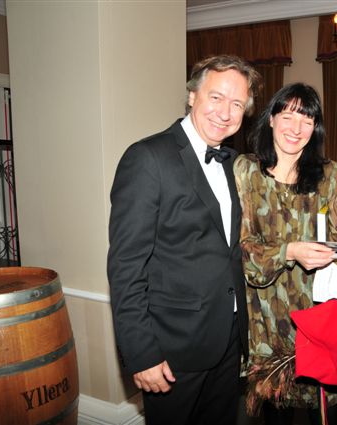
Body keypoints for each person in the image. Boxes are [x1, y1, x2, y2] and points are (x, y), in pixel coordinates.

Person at [107, 55, 261, 424]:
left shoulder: (235, 163)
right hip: (173, 347)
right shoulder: (147, 158)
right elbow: (126, 266)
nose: (225, 113)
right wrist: (141, 354)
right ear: (192, 96)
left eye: (236, 104)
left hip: (228, 339)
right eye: (216, 97)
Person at [234, 83, 337, 425]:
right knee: (277, 415)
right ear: (271, 119)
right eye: (288, 116)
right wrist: (288, 251)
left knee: (326, 413)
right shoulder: (245, 171)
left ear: (315, 127)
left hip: (319, 314)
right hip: (267, 318)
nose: (296, 128)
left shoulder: (330, 174)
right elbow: (241, 249)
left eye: (307, 120)